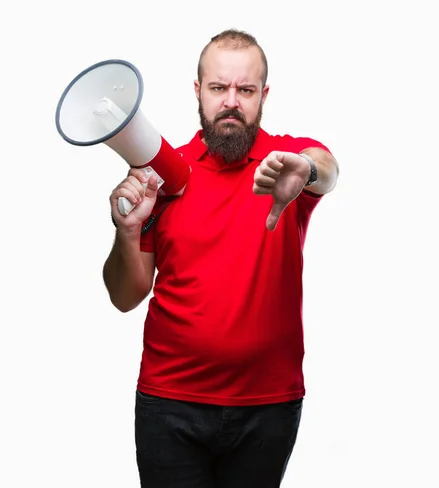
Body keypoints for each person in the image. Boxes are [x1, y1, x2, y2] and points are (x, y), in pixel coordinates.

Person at [102, 28, 339, 488]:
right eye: (218, 88)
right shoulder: (166, 172)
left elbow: (327, 169)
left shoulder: (284, 163)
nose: (231, 101)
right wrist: (127, 231)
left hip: (268, 406)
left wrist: (307, 169)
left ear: (263, 95)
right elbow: (125, 296)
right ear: (198, 91)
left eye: (245, 90)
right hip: (170, 404)